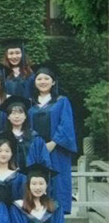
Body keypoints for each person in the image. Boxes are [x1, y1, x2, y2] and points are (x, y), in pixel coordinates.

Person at [28, 63, 76, 214]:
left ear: (53, 82)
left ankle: (57, 217)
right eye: (39, 79)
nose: (42, 81)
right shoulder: (29, 103)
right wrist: (36, 143)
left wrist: (54, 142)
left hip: (56, 151)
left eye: (46, 78)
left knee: (57, 183)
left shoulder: (62, 101)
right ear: (34, 82)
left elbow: (66, 124)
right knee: (36, 183)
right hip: (35, 150)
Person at [0, 96, 51, 170]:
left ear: (25, 116)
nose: (17, 116)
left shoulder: (35, 138)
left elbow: (44, 162)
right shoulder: (1, 138)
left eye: (20, 113)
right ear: (8, 117)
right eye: (13, 113)